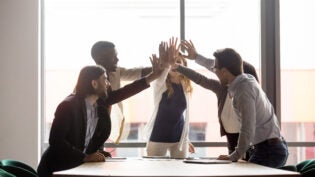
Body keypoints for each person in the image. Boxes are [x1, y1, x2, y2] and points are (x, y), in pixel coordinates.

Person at [37, 58, 163, 177]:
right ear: (94, 83)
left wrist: (153, 76)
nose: (108, 84)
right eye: (105, 80)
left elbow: (125, 91)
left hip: (79, 167)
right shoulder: (68, 106)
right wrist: (85, 156)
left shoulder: (99, 103)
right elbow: (56, 141)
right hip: (57, 168)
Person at [205, 48, 288, 168]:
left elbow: (247, 127)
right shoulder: (247, 79)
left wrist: (234, 155)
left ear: (224, 71)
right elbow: (210, 65)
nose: (213, 71)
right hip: (267, 147)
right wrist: (195, 57)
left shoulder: (243, 90)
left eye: (215, 68)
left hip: (269, 151)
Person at [178, 40, 259, 156]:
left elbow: (248, 128)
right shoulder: (222, 88)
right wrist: (183, 63)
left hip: (249, 145)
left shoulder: (248, 92)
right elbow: (204, 76)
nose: (217, 71)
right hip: (232, 144)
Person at [91, 41, 152, 143]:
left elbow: (137, 72)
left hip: (104, 124)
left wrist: (162, 67)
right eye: (113, 57)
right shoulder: (91, 79)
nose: (117, 59)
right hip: (93, 124)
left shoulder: (116, 71)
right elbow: (111, 98)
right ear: (101, 59)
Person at [143, 39, 194, 158]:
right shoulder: (160, 84)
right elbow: (161, 75)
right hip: (158, 137)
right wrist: (166, 64)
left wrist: (186, 138)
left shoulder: (186, 85)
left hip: (179, 139)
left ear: (184, 65)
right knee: (157, 175)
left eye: (177, 62)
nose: (174, 65)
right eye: (171, 63)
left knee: (181, 174)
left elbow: (182, 115)